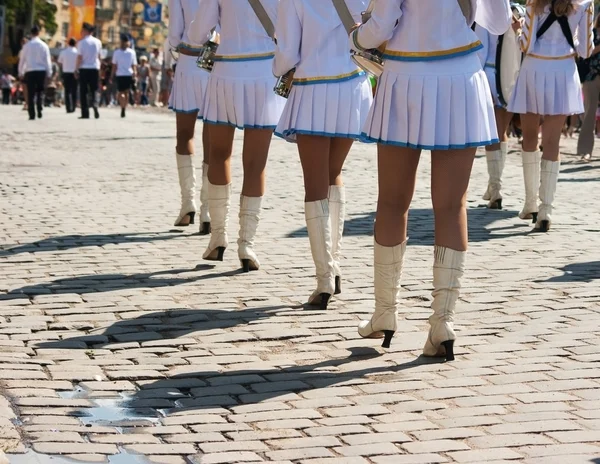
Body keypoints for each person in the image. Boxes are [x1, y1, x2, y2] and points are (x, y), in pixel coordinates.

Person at [349, 0, 511, 359]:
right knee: (452, 206)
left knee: (392, 202)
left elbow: (382, 25)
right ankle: (442, 322)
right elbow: (498, 23)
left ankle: (385, 312)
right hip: (461, 73)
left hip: (407, 74)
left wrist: (358, 37)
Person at [273, 0, 373, 308]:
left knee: (315, 184)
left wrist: (278, 69)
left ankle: (325, 277)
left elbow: (287, 52)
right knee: (334, 174)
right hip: (353, 84)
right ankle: (335, 265)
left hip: (314, 85)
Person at [189, 0, 285, 271]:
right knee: (256, 164)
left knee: (219, 156)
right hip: (265, 72)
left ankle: (218, 236)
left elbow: (197, 35)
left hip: (227, 71)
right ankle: (247, 244)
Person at [508, 0, 594, 232]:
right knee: (552, 143)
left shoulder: (534, 4)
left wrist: (519, 31)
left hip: (535, 68)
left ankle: (530, 203)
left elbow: (525, 45)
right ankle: (546, 209)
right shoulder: (584, 5)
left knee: (529, 139)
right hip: (563, 70)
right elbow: (585, 50)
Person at [167, 0, 211, 233]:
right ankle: (207, 210)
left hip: (188, 61)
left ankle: (188, 204)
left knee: (184, 135)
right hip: (215, 63)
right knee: (214, 136)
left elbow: (174, 34)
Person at [474, 23, 514, 210]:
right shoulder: (517, 12)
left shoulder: (486, 12)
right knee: (502, 130)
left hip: (490, 73)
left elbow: (481, 49)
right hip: (510, 77)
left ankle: (495, 187)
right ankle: (494, 185)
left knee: (493, 133)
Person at [576, 14, 600, 162]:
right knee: (589, 114)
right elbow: (585, 53)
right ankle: (585, 151)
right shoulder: (593, 33)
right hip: (592, 76)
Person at [18, 26, 52, 120]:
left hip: (30, 71)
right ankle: (39, 107)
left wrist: (20, 72)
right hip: (41, 71)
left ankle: (31, 113)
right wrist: (49, 73)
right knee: (40, 91)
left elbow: (22, 60)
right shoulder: (44, 45)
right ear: (38, 33)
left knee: (31, 93)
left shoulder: (26, 46)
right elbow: (47, 60)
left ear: (31, 33)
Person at [76, 23, 102, 119]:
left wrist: (76, 69)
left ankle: (85, 113)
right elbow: (99, 57)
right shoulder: (98, 42)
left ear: (86, 31)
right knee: (94, 89)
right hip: (95, 67)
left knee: (84, 91)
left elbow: (79, 57)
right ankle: (95, 104)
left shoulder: (81, 42)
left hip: (84, 68)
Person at [111, 35, 137, 118]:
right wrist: (135, 73)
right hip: (128, 74)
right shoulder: (131, 52)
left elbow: (114, 66)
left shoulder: (117, 52)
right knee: (126, 93)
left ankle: (122, 107)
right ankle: (124, 107)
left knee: (120, 93)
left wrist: (112, 75)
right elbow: (134, 65)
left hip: (120, 75)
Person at [58, 38, 79, 113]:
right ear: (75, 43)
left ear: (68, 43)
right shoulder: (77, 52)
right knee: (74, 90)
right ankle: (73, 107)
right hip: (74, 73)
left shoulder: (63, 52)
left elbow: (60, 63)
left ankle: (68, 108)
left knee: (67, 91)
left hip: (66, 72)